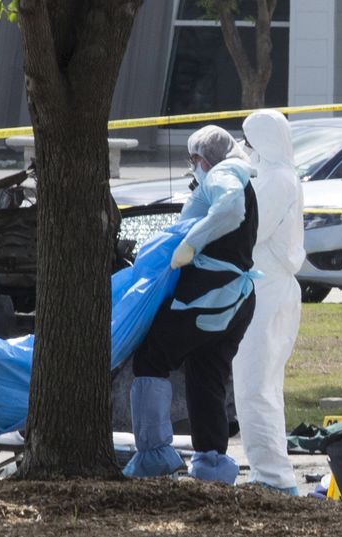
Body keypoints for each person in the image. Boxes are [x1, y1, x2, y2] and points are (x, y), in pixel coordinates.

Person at [123, 125, 259, 482]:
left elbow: (230, 211)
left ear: (203, 157)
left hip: (209, 295)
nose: (192, 167)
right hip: (238, 300)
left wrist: (190, 245)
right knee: (206, 374)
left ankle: (154, 455)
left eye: (194, 159)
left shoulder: (224, 174)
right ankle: (211, 464)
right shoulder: (242, 175)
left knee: (152, 356)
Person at [232, 109, 305, 496]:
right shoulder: (281, 177)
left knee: (252, 385)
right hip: (272, 290)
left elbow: (249, 231)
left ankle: (272, 476)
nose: (246, 147)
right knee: (265, 386)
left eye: (249, 139)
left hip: (266, 292)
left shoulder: (276, 181)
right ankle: (274, 471)